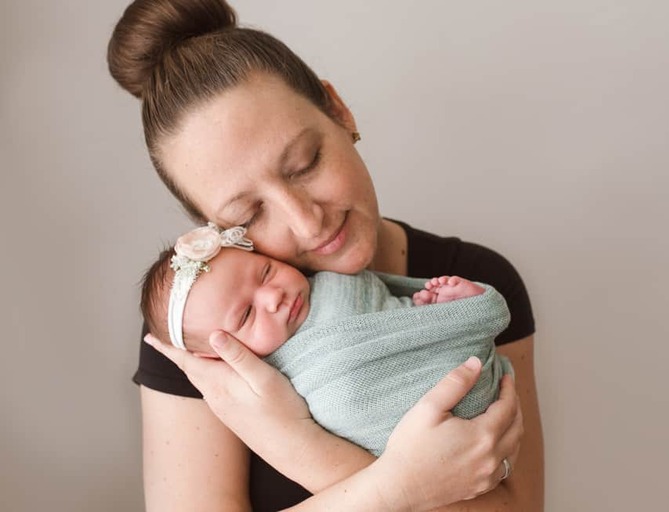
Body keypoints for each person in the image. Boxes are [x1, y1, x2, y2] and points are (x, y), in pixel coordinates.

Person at [108, 0, 543, 509]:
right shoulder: (205, 337)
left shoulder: (477, 282)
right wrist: (395, 487)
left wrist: (304, 447)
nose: (306, 221)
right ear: (213, 229)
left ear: (339, 111)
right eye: (248, 215)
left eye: (304, 163)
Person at [141, 223, 514, 456]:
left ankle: (455, 308)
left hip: (452, 361)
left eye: (266, 272)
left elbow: (389, 305)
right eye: (246, 315)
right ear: (219, 355)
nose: (272, 297)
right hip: (405, 427)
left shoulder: (334, 277)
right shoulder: (266, 383)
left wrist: (425, 311)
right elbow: (342, 406)